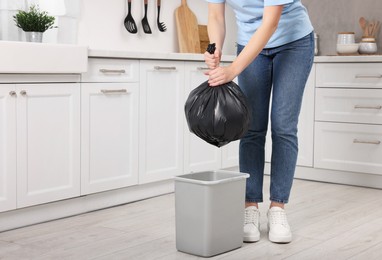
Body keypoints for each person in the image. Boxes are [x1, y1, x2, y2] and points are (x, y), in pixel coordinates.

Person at [204, 0, 314, 243]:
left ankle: (277, 208)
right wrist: (214, 48)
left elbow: (270, 23)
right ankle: (250, 207)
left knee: (283, 127)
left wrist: (232, 70)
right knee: (251, 128)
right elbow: (216, 15)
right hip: (249, 43)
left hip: (293, 42)